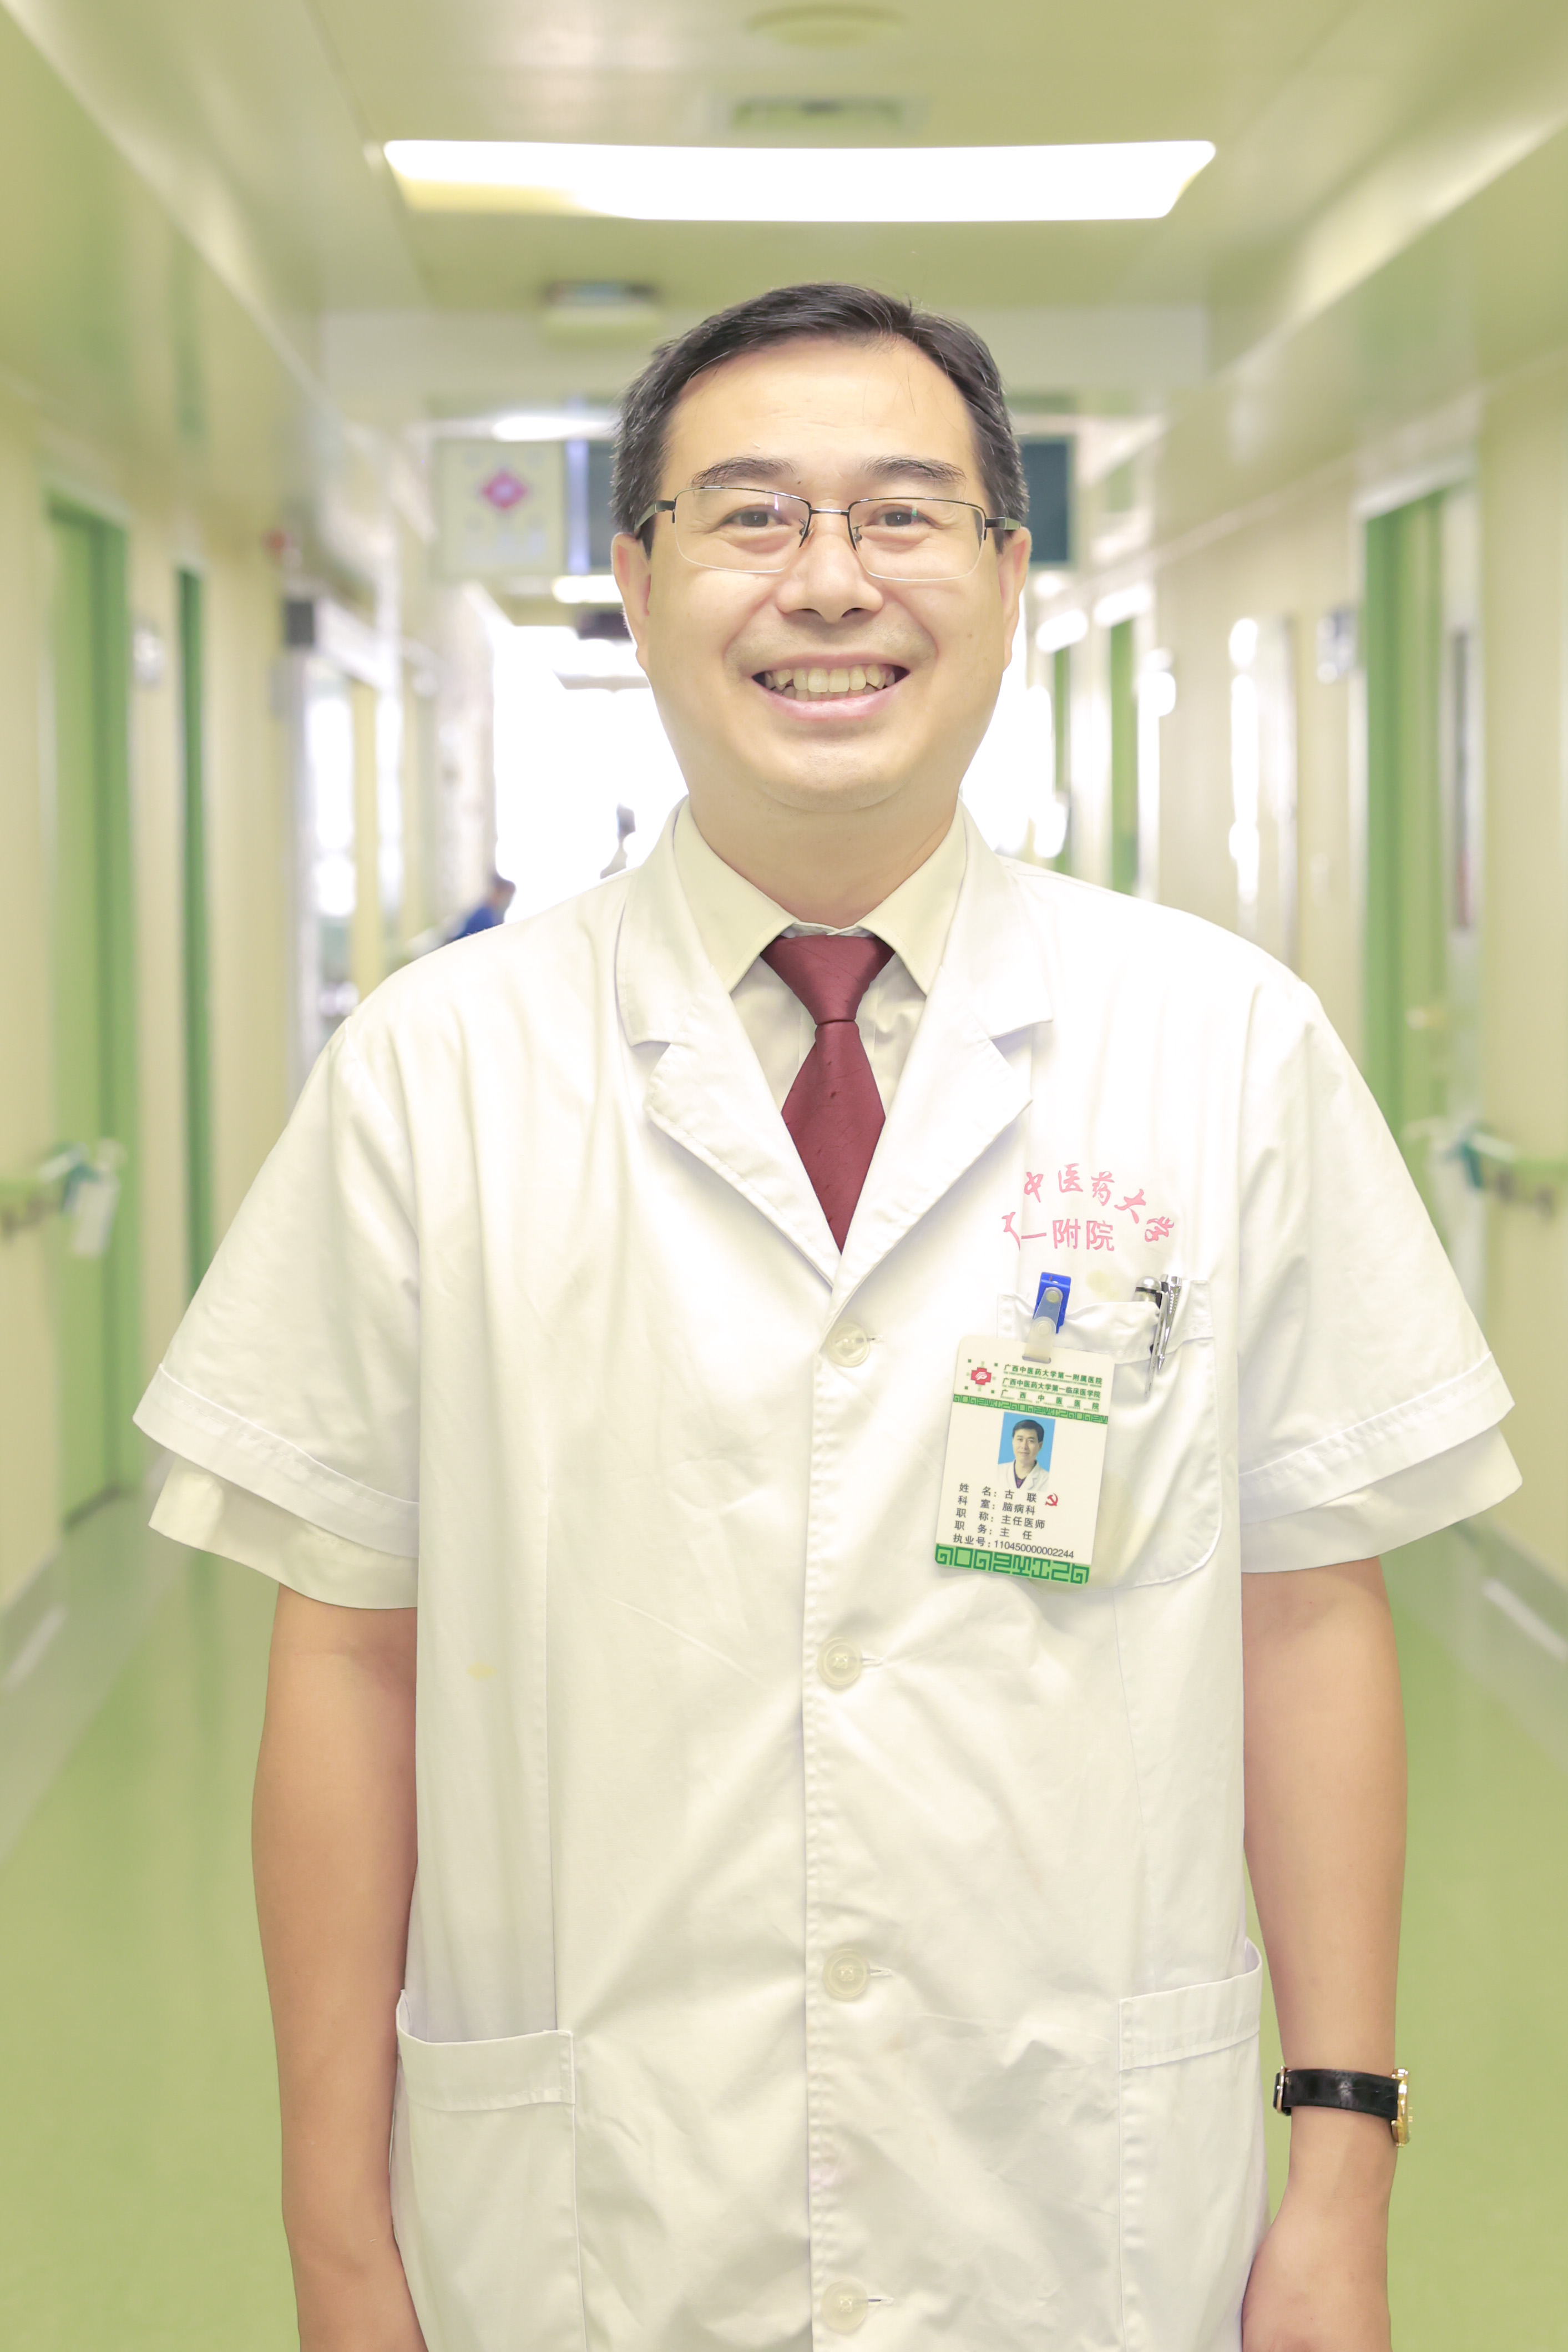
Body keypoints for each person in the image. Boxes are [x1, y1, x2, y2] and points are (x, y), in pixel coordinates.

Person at [139, 282, 1518, 2352]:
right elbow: (347, 1654)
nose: (829, 583)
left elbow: (1307, 1615)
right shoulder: (436, 1068)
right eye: (751, 515)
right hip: (596, 2220)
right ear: (636, 579)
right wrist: (337, 2244)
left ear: (1008, 575)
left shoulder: (1219, 1042)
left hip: (1080, 2209)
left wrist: (1340, 2168)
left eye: (901, 513)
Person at [449, 869, 514, 938]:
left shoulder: (492, 914)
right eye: (506, 896)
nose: (507, 901)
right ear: (498, 892)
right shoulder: (484, 915)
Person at [1004, 1416, 1049, 1494]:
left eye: (1031, 1441)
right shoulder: (998, 1471)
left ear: (1040, 1446)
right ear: (1013, 1441)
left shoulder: (1048, 1480)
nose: (1024, 1446)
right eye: (1020, 1439)